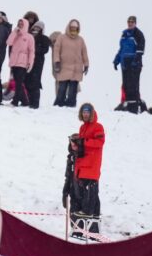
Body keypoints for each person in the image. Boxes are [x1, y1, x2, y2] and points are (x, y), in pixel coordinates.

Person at [70, 103, 105, 235]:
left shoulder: (98, 127)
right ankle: (82, 231)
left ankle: (91, 231)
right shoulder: (82, 127)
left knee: (90, 199)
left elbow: (99, 143)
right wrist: (75, 145)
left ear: (91, 113)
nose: (85, 114)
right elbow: (82, 146)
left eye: (87, 111)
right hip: (82, 168)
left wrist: (83, 142)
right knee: (82, 198)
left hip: (91, 168)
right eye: (83, 111)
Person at [52, 19, 88, 107]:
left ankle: (71, 105)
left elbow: (84, 53)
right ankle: (58, 104)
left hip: (76, 68)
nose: (73, 29)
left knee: (73, 90)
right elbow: (56, 50)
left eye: (75, 28)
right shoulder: (62, 38)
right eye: (72, 27)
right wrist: (57, 61)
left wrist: (86, 64)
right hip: (64, 67)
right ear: (69, 27)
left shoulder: (80, 40)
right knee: (62, 88)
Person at [113, 16, 145, 113]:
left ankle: (134, 107)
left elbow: (141, 49)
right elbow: (121, 49)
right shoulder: (124, 34)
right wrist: (116, 60)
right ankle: (126, 104)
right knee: (126, 85)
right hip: (125, 64)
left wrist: (136, 60)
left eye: (132, 22)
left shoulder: (138, 34)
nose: (130, 23)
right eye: (129, 22)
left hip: (134, 64)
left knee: (133, 86)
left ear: (135, 23)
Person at [5, 18, 35, 107]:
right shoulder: (15, 34)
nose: (20, 25)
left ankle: (15, 102)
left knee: (19, 82)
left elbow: (31, 51)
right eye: (19, 23)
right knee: (18, 82)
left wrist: (30, 63)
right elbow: (8, 42)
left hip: (22, 62)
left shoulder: (29, 37)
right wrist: (14, 32)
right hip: (14, 61)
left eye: (22, 23)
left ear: (25, 25)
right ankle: (25, 101)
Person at [26, 21, 50, 109]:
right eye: (35, 27)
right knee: (26, 80)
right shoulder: (28, 36)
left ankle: (35, 103)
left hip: (38, 62)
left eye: (39, 28)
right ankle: (27, 101)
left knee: (35, 82)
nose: (36, 29)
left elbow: (45, 50)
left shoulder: (44, 38)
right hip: (27, 61)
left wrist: (33, 50)